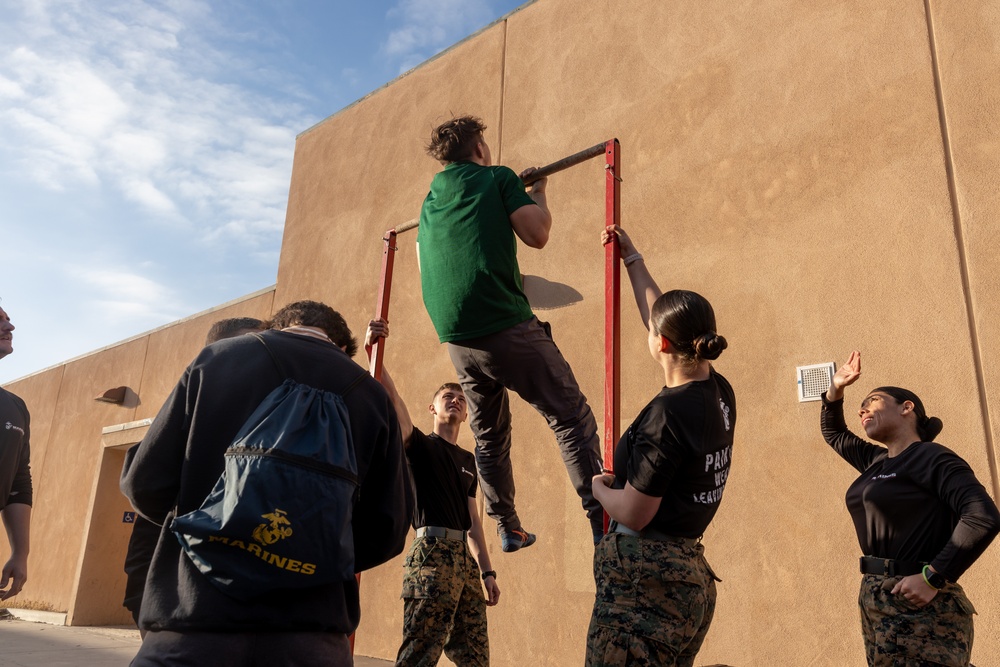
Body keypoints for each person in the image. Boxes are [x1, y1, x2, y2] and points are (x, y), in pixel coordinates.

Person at [121, 301, 412, 666]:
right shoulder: (370, 395)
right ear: (341, 344)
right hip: (311, 640)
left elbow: (144, 485)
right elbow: (388, 529)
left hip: (196, 625)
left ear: (274, 326)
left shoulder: (218, 360)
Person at [417, 115, 604, 549]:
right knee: (571, 417)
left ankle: (507, 525)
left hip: (458, 340)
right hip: (504, 324)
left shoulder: (430, 203)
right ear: (479, 149)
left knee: (490, 435)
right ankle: (603, 517)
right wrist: (536, 192)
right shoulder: (496, 178)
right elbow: (537, 234)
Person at [587, 227, 734, 667]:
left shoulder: (667, 414)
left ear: (662, 345)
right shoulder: (718, 389)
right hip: (686, 574)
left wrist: (597, 488)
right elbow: (659, 318)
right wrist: (634, 261)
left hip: (645, 582)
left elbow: (634, 511)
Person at [821, 350, 1000, 666]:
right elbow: (834, 433)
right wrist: (836, 390)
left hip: (918, 598)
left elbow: (981, 515)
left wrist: (933, 576)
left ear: (907, 408)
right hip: (875, 594)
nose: (862, 408)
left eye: (873, 401)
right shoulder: (876, 462)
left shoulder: (932, 457)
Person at [366, 319, 500, 667]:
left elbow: (474, 523)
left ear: (466, 412)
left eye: (460, 398)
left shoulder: (468, 460)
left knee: (476, 656)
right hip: (431, 556)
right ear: (433, 409)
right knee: (420, 652)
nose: (455, 401)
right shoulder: (420, 447)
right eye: (446, 397)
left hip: (464, 563)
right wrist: (374, 352)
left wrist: (487, 572)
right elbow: (392, 400)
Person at [121, 317, 265, 632]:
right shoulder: (183, 423)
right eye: (252, 347)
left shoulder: (267, 424)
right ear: (219, 353)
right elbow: (143, 491)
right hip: (182, 621)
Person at [0, 304, 32, 601]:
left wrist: (20, 553)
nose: (10, 327)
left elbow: (18, 485)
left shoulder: (16, 407)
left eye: (7, 320)